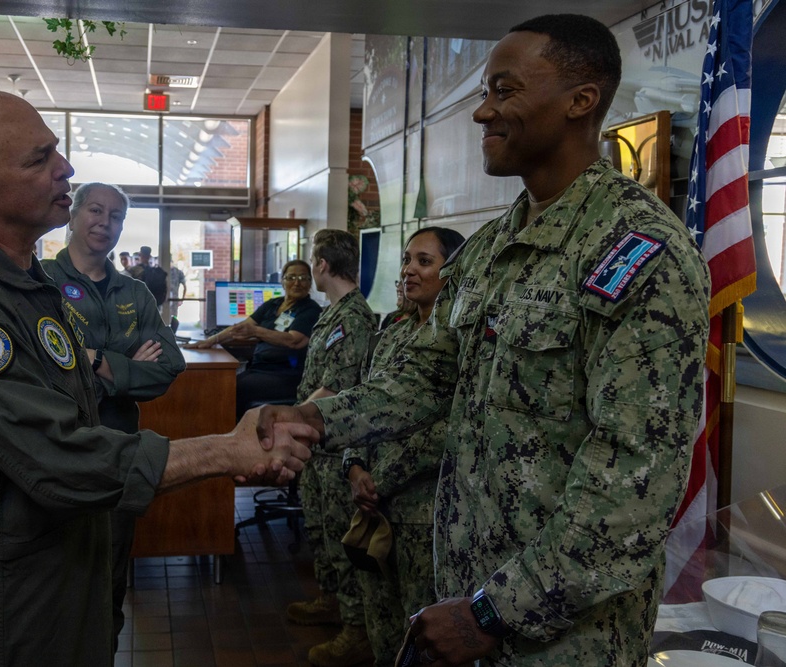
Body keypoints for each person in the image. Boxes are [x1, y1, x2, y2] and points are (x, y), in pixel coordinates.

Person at [258, 14, 710, 666]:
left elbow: (630, 491)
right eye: (484, 92)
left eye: (504, 91)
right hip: (464, 600)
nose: (481, 112)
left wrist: (492, 613)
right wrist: (314, 417)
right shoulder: (494, 248)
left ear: (581, 101)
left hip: (559, 634)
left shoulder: (640, 252)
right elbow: (429, 379)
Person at [0, 90, 314, 667]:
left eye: (57, 153)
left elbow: (132, 373)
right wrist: (225, 450)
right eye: (39, 161)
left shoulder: (28, 283)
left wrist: (107, 365)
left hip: (79, 554)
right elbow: (59, 459)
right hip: (15, 597)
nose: (65, 169)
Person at [41, 181, 186, 644]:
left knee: (108, 581)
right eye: (96, 211)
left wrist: (95, 360)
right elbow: (39, 367)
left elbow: (167, 367)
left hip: (118, 451)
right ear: (74, 214)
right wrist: (125, 366)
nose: (106, 223)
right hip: (52, 450)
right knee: (51, 580)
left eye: (117, 216)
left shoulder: (136, 292)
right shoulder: (38, 280)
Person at [343, 226, 464, 665]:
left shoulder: (461, 338)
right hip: (372, 505)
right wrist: (354, 467)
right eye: (407, 260)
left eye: (424, 261)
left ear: (453, 272)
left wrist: (383, 479)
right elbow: (364, 401)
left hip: (422, 512)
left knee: (420, 637)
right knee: (382, 625)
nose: (409, 270)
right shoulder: (392, 332)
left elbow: (456, 422)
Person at [287, 229, 377, 667]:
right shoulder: (334, 312)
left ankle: (356, 629)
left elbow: (336, 386)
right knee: (321, 532)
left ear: (322, 265)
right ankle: (330, 600)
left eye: (312, 262)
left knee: (343, 541)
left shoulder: (353, 317)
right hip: (318, 444)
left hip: (334, 443)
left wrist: (291, 420)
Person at [186, 259, 322, 418]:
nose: (297, 283)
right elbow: (243, 326)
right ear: (282, 281)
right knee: (221, 382)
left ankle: (232, 434)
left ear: (310, 282)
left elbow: (293, 340)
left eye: (303, 278)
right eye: (291, 277)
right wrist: (210, 341)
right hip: (261, 368)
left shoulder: (310, 310)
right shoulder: (273, 304)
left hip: (285, 375)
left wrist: (256, 331)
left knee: (227, 387)